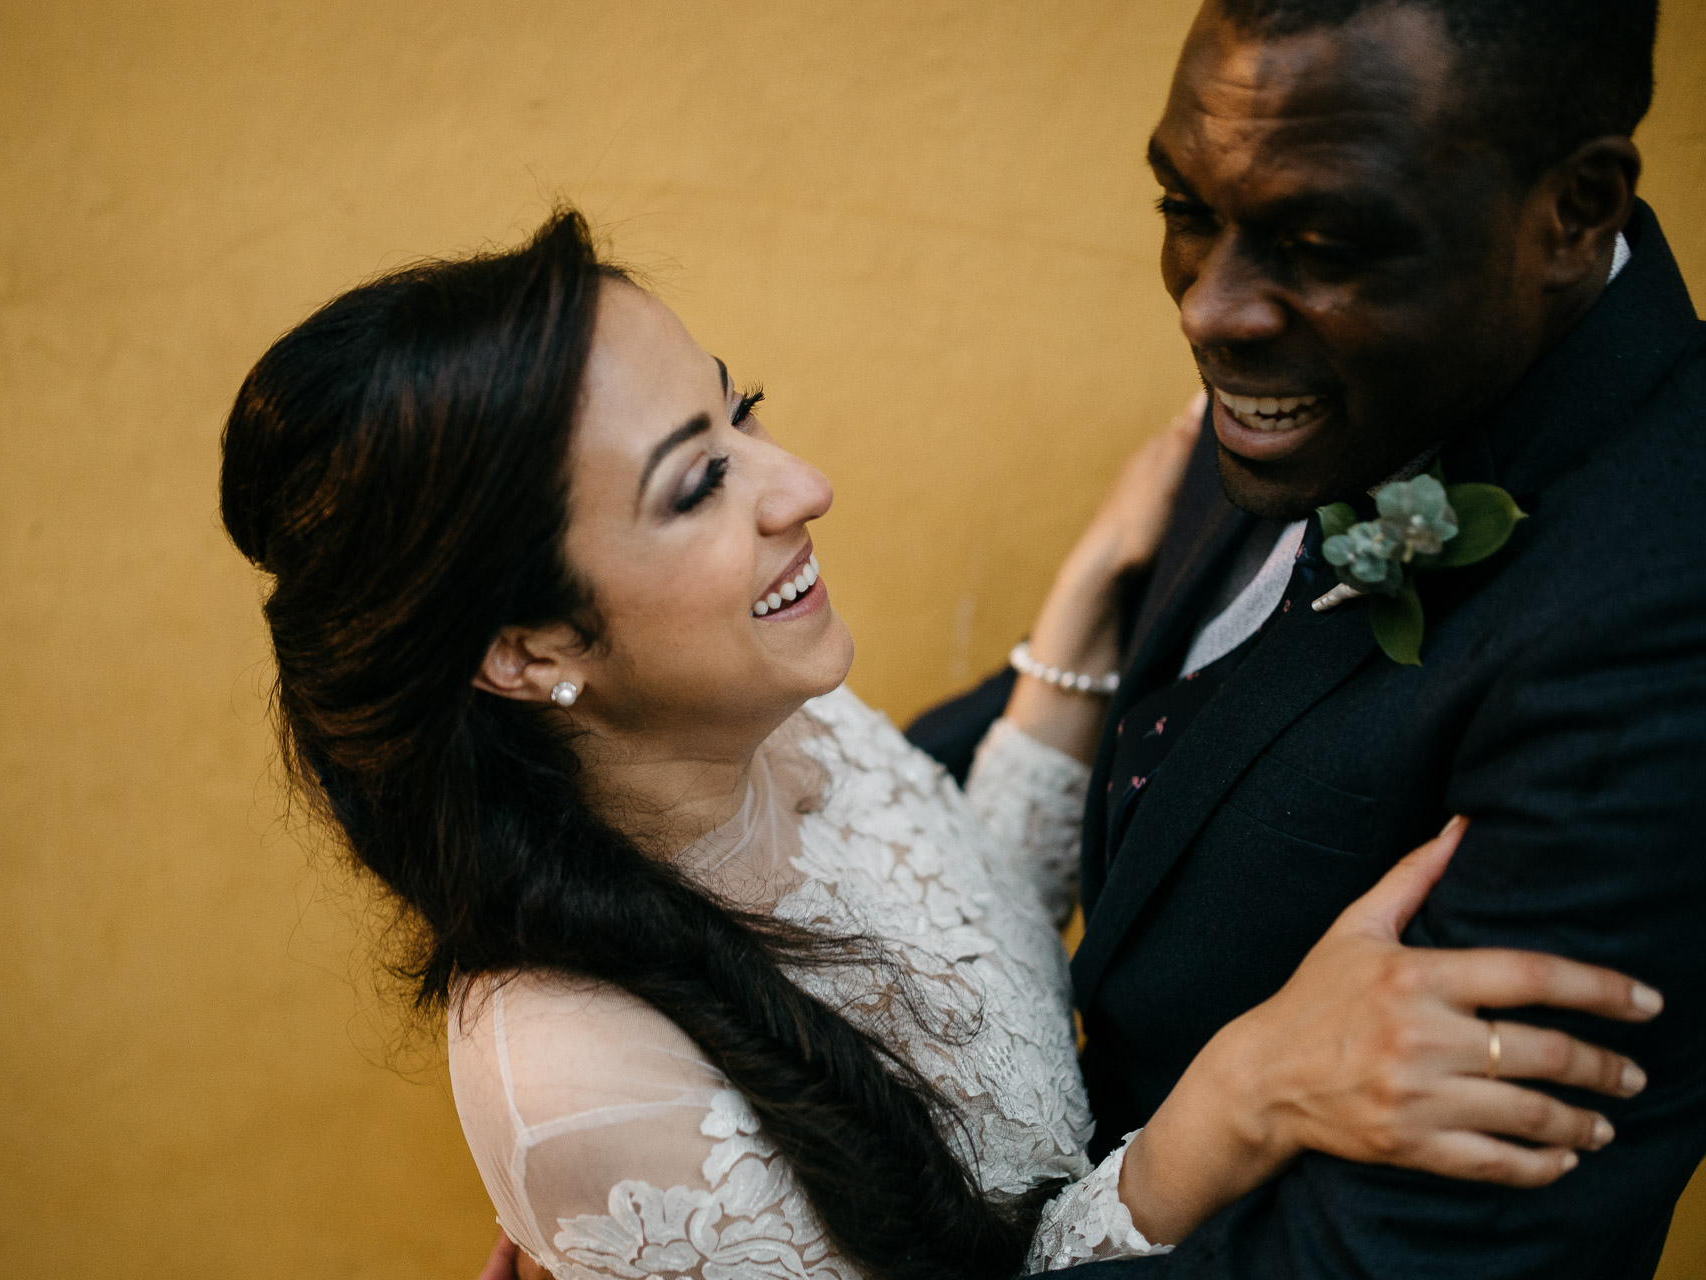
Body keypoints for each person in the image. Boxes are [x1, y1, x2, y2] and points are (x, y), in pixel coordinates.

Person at [220, 211, 1659, 1280]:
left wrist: (1087, 615)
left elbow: (974, 945)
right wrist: (1235, 1103)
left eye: (745, 410)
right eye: (699, 483)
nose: (804, 487)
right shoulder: (591, 1088)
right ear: (530, 648)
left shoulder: (775, 717)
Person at [911, 0, 1706, 1274]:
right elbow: (1147, 729)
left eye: (1322, 240)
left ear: (1576, 211)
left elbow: (1398, 1255)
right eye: (1183, 207)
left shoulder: (1661, 628)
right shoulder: (1336, 362)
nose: (1210, 310)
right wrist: (659, 1111)